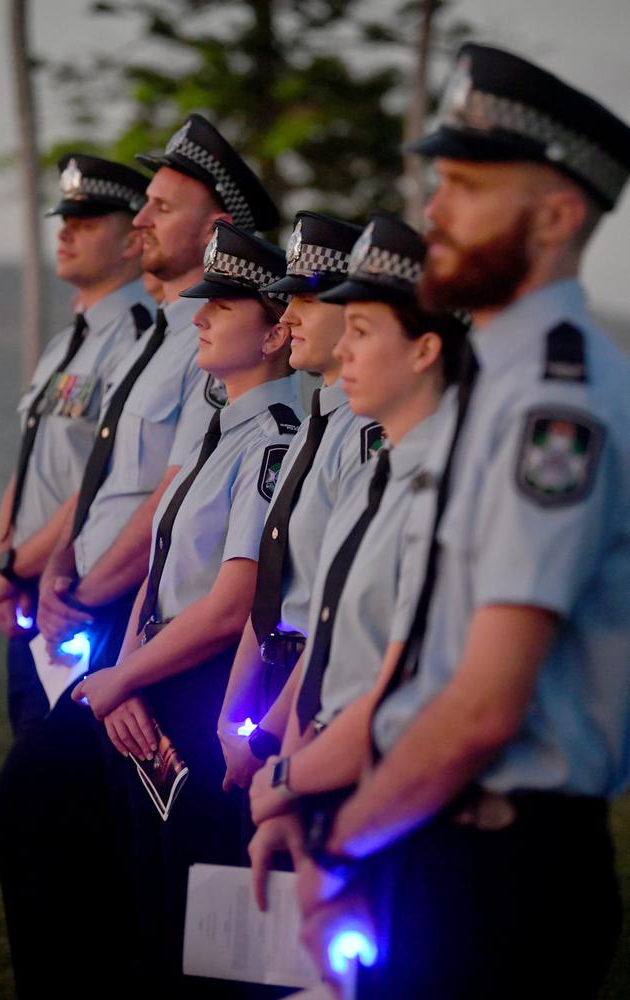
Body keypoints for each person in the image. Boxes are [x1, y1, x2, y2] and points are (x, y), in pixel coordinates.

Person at [298, 43, 630, 1000]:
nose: (433, 210)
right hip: (432, 830)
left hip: (496, 865)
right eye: (438, 181)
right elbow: (424, 658)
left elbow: (484, 705)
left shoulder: (553, 406)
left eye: (467, 186)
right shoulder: (500, 385)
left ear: (558, 215)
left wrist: (342, 846)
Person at [0, 115, 279, 1000]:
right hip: (113, 622)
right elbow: (98, 472)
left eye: (160, 205)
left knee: (97, 841)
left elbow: (170, 496)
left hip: (141, 631)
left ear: (218, 229)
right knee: (97, 845)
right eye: (144, 205)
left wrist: (81, 592)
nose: (142, 220)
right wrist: (36, 566)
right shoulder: (166, 334)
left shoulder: (220, 358)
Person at [72, 221, 302, 995]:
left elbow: (231, 603)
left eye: (223, 306)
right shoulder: (219, 435)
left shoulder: (273, 441)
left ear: (276, 332)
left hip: (200, 695)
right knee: (143, 915)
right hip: (151, 683)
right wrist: (125, 674)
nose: (198, 316)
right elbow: (159, 573)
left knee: (199, 944)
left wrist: (123, 676)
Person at [246, 214, 467, 907]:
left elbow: (397, 686)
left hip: (401, 808)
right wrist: (287, 773)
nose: (348, 355)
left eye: (363, 333)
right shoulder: (382, 473)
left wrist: (284, 778)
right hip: (328, 776)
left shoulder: (452, 491)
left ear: (426, 350)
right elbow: (334, 647)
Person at [0, 153, 152, 736]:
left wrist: (11, 566)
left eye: (87, 222)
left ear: (133, 241)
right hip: (27, 586)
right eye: (65, 221)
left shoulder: (138, 340)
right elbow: (30, 460)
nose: (66, 233)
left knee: (51, 801)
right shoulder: (64, 343)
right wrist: (5, 559)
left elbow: (101, 479)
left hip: (73, 595)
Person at [216, 211, 387, 796]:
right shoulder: (310, 432)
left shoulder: (367, 436)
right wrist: (231, 712)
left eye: (304, 303)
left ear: (355, 311)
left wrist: (268, 735)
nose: (286, 317)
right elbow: (272, 588)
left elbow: (336, 608)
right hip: (272, 683)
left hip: (316, 694)